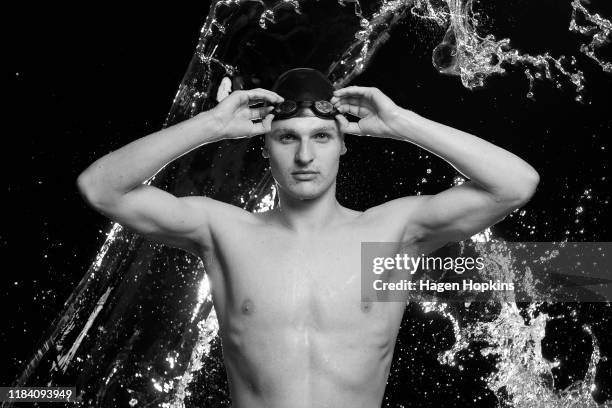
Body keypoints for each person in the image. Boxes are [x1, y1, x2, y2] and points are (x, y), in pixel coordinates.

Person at [76, 67, 539, 408]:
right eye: (287, 139)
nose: (304, 156)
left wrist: (403, 124)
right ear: (264, 144)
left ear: (343, 143)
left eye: (321, 136)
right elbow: (100, 188)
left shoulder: (391, 234)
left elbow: (515, 184)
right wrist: (211, 126)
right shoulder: (224, 232)